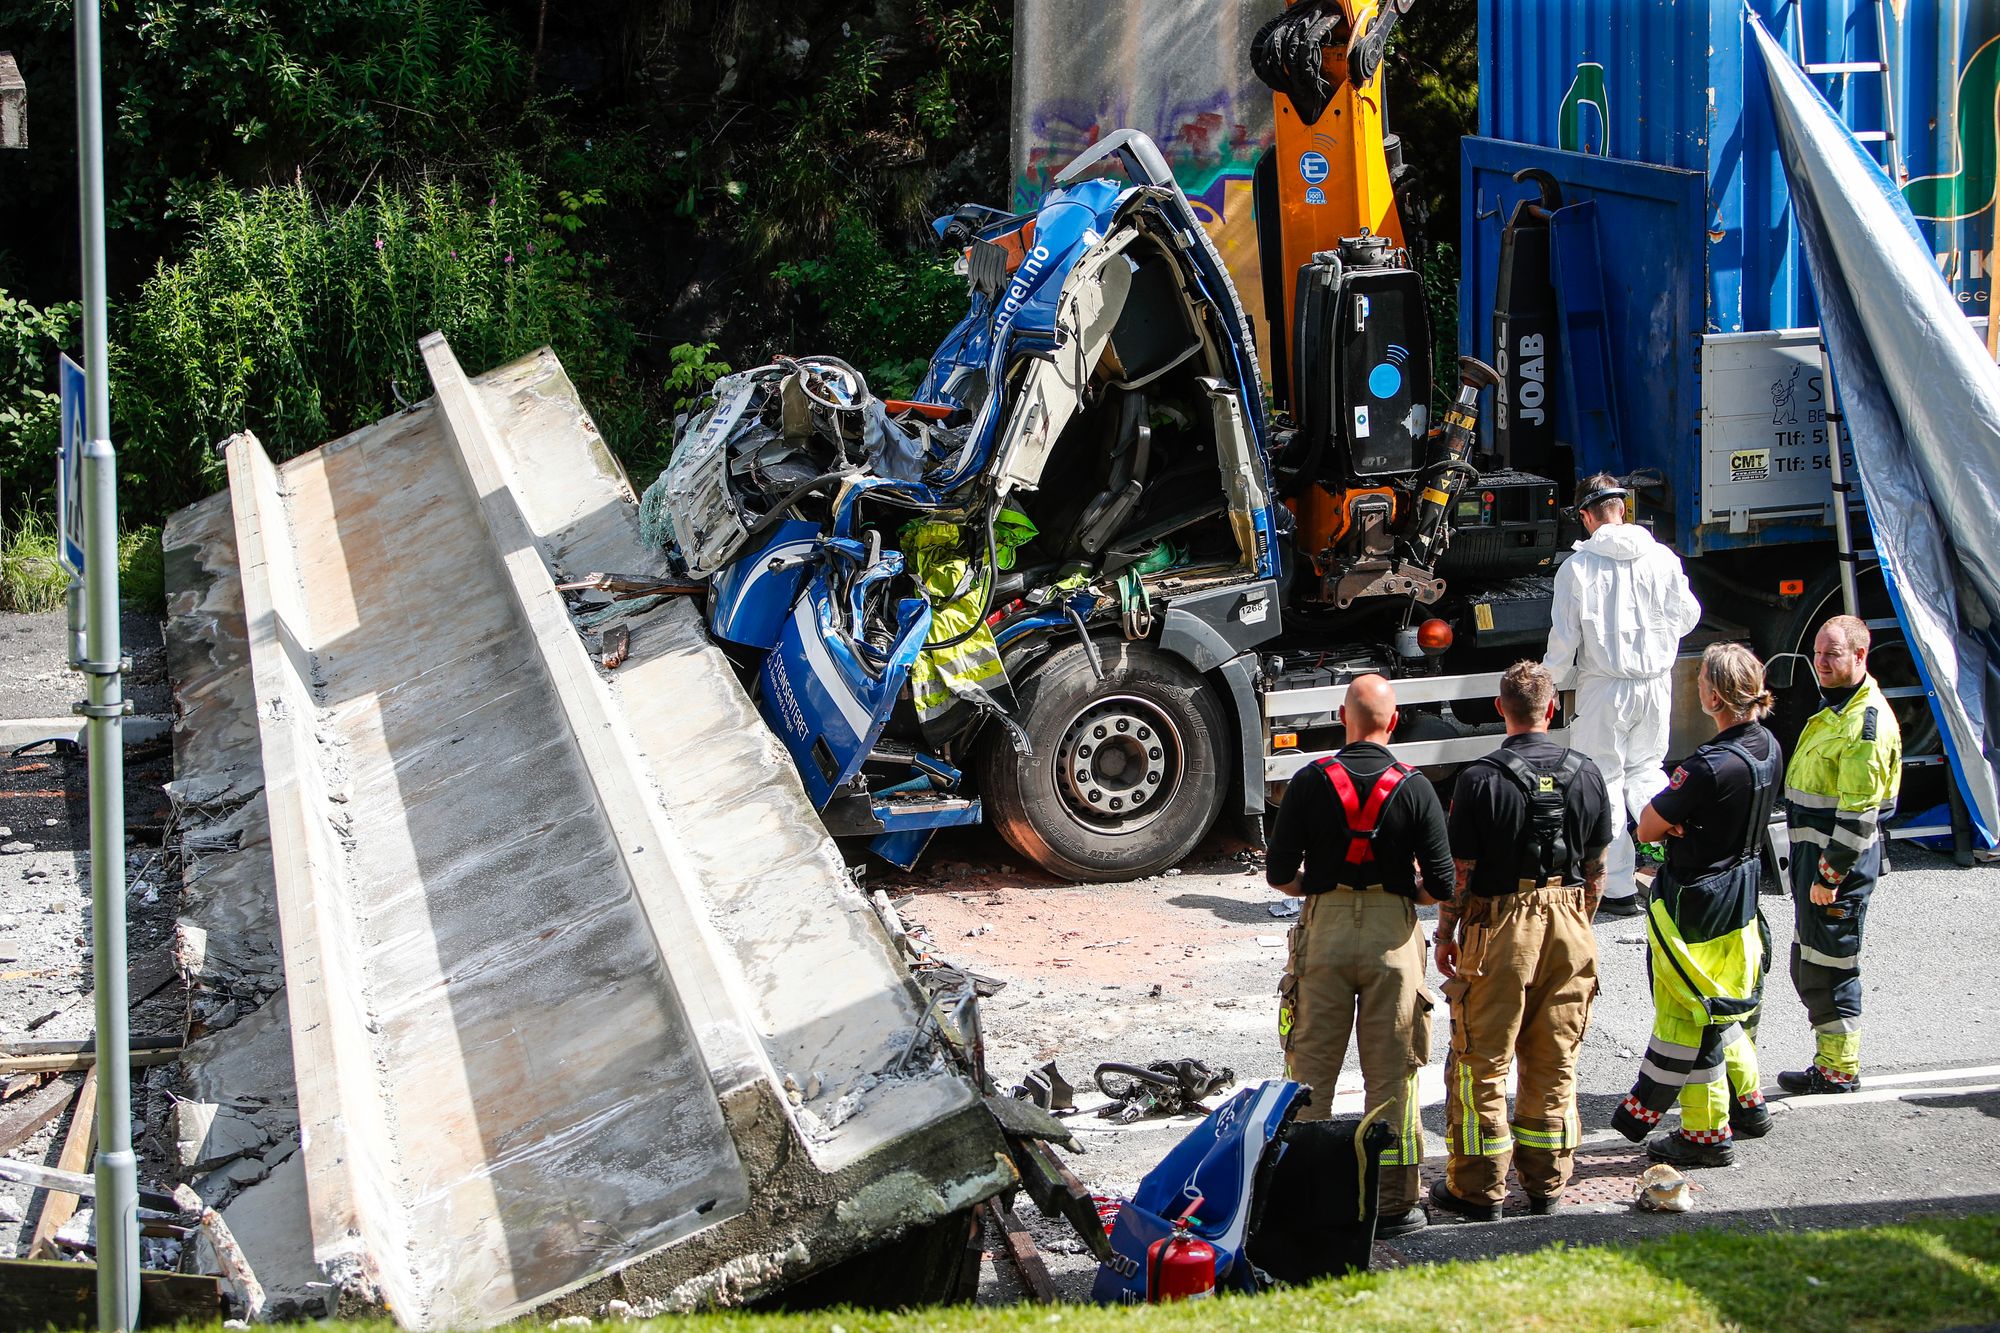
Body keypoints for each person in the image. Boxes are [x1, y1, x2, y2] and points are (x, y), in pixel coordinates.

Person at [1268, 674, 1454, 1238]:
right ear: (1392, 723)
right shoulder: (1416, 787)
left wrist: (1318, 891)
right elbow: (1441, 883)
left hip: (1323, 933)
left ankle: (1304, 1195)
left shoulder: (1309, 781)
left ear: (1341, 718)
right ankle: (1395, 1203)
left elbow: (1280, 874)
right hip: (1392, 940)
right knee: (1393, 1075)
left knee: (1310, 1075)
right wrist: (1406, 898)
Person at [1432, 661, 1613, 1221]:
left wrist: (1446, 931)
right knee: (1554, 1058)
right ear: (1552, 707)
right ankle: (1547, 1184)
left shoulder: (1479, 779)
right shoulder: (1588, 773)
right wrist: (1576, 918)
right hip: (1570, 919)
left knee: (1480, 1060)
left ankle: (1479, 1188)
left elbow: (1462, 869)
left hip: (1500, 926)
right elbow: (1598, 867)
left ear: (1499, 708)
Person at [1613, 643, 1780, 1167]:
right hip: (1743, 890)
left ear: (1712, 695)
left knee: (1692, 1009)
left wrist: (1674, 821)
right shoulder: (1769, 746)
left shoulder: (1708, 766)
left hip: (1696, 900)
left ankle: (1706, 1135)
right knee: (1727, 1000)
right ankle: (1749, 1104)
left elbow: (1648, 825)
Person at [1542, 474, 1703, 917]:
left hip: (1605, 688)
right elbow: (1689, 616)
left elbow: (1564, 640)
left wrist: (1546, 686)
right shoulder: (1663, 558)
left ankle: (1616, 890)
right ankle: (1677, 863)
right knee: (1648, 772)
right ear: (1622, 509)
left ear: (1585, 516)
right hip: (1655, 682)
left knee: (1604, 780)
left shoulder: (1577, 568)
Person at [1779, 614, 1900, 1094]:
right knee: (1810, 963)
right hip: (1819, 861)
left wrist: (1828, 876)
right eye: (1817, 653)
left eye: (1832, 654)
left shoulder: (1864, 725)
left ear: (1859, 655)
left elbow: (1858, 814)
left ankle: (1838, 1071)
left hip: (1838, 865)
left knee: (1832, 969)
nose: (1822, 663)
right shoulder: (1838, 707)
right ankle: (1829, 1064)